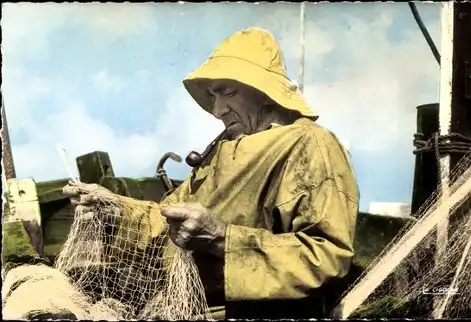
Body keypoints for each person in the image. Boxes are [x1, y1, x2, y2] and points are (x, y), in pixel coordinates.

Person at [63, 27, 359, 319]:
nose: (218, 110)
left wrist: (221, 238)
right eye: (213, 96)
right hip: (180, 309)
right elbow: (163, 219)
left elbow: (327, 258)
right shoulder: (220, 152)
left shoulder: (309, 143)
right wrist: (114, 210)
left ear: (265, 93)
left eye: (227, 92)